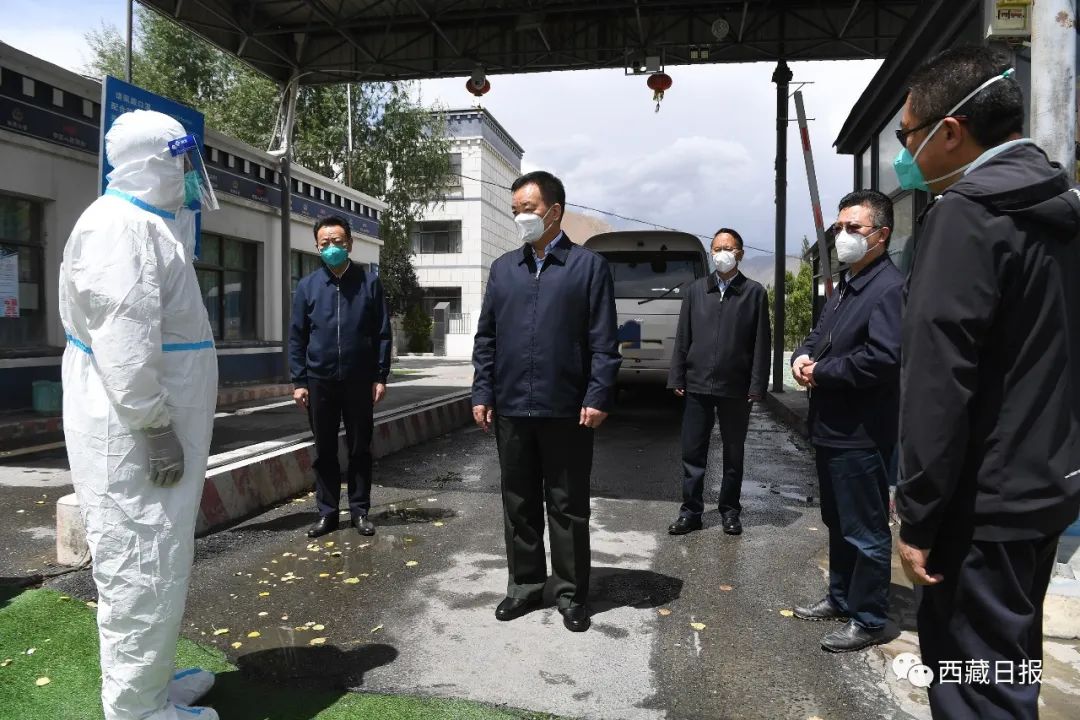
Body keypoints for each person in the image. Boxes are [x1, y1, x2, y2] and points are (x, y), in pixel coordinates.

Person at [893, 46, 1080, 719]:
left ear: (951, 132)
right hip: (1044, 487)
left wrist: (917, 514)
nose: (905, 154)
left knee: (973, 687)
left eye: (907, 136)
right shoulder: (1061, 207)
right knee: (1007, 669)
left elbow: (939, 380)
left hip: (979, 505)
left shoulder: (966, 216)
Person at [60, 109, 221, 720]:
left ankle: (150, 685)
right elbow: (125, 346)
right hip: (133, 435)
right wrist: (155, 429)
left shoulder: (145, 225)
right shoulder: (117, 229)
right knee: (137, 563)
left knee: (159, 559)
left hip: (151, 425)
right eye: (183, 161)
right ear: (158, 161)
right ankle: (137, 709)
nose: (189, 174)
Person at [472, 170, 620, 633]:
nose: (520, 217)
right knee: (518, 503)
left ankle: (572, 593)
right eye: (516, 209)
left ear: (554, 211)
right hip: (512, 408)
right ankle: (525, 586)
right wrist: (482, 391)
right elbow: (486, 338)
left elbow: (604, 342)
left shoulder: (588, 268)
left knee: (567, 505)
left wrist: (597, 394)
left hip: (566, 409)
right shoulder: (503, 269)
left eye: (528, 209)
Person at [790, 189, 903, 653]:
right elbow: (819, 336)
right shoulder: (849, 284)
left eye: (853, 228)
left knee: (865, 529)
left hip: (861, 432)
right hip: (831, 428)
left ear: (881, 234)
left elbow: (882, 359)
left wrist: (822, 372)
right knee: (837, 520)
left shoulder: (889, 288)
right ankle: (840, 597)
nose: (843, 236)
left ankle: (870, 618)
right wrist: (801, 357)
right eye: (839, 227)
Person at [290, 215, 392, 539]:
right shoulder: (307, 287)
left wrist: (380, 375)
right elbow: (297, 337)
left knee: (360, 448)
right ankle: (328, 513)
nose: (332, 247)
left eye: (337, 241)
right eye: (325, 243)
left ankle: (360, 511)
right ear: (317, 247)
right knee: (324, 450)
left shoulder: (368, 283)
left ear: (349, 243)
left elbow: (382, 333)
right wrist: (299, 381)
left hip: (359, 379)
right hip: (319, 381)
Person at [666, 228, 770, 536]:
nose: (721, 253)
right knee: (692, 451)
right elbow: (683, 336)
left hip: (736, 387)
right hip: (697, 384)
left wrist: (757, 385)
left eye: (728, 248)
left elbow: (761, 343)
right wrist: (677, 375)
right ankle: (691, 512)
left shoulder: (754, 293)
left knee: (733, 452)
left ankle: (730, 511)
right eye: (716, 248)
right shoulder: (696, 290)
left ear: (740, 253)